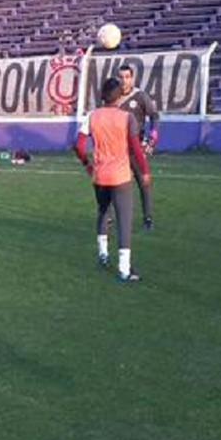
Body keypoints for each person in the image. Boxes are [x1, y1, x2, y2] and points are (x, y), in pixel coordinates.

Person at [75, 77, 152, 283]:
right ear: (120, 97)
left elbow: (80, 146)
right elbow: (135, 148)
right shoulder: (127, 118)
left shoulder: (92, 116)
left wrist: (87, 164)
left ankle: (103, 254)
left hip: (99, 175)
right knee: (124, 221)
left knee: (102, 212)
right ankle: (124, 269)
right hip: (120, 176)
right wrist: (144, 170)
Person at [116, 64, 159, 231]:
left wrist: (152, 139)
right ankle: (115, 218)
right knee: (117, 185)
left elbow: (154, 116)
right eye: (121, 77)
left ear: (132, 78)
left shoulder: (140, 96)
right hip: (118, 149)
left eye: (127, 77)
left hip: (136, 148)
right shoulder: (113, 98)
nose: (124, 80)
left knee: (144, 182)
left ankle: (148, 218)